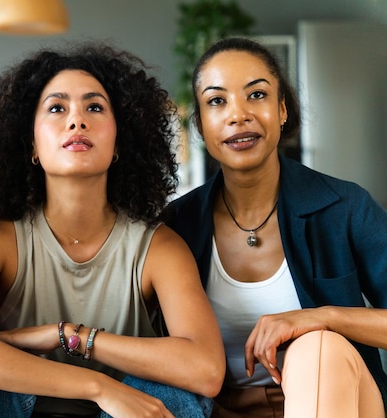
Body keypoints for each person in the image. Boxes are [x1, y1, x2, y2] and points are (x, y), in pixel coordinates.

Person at [0, 42, 225, 418]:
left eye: (95, 107)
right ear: (32, 144)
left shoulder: (158, 247)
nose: (76, 120)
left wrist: (77, 338)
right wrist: (98, 387)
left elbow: (206, 370)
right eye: (56, 108)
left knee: (174, 394)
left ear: (119, 142)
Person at [162, 37, 387, 418]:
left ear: (282, 110)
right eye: (217, 101)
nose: (238, 115)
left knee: (318, 347)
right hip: (220, 413)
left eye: (257, 95)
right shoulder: (177, 227)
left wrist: (321, 317)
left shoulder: (345, 206)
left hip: (341, 403)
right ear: (200, 125)